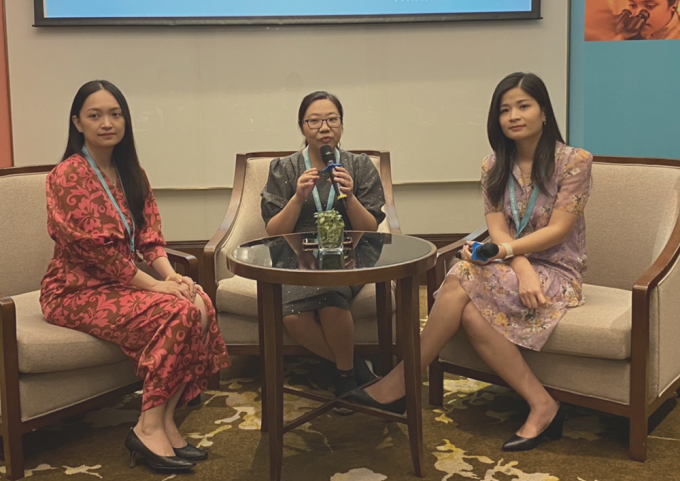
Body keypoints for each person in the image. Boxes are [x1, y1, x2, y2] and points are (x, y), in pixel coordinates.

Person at [347, 72, 593, 452]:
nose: (513, 116)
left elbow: (559, 230)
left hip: (559, 272)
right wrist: (518, 265)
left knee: (460, 274)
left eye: (523, 106)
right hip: (516, 268)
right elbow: (496, 228)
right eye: (504, 109)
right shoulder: (492, 165)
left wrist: (508, 257)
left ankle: (400, 384)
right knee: (469, 304)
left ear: (544, 112)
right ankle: (543, 405)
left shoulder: (573, 161)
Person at [40, 80, 230, 472]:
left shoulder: (131, 171)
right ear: (77, 122)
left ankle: (164, 422)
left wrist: (172, 277)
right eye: (95, 115)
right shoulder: (68, 175)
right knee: (176, 313)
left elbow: (150, 239)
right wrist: (157, 286)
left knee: (197, 301)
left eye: (115, 114)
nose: (107, 123)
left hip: (121, 285)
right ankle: (147, 427)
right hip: (75, 290)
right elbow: (96, 253)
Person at [260, 91, 386, 410]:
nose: (324, 127)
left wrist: (351, 195)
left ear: (342, 126)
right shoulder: (284, 168)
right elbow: (273, 231)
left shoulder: (359, 166)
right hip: (296, 256)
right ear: (302, 127)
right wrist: (298, 197)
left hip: (349, 253)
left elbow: (370, 228)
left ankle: (343, 377)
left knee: (331, 299)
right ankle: (358, 371)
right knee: (293, 315)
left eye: (332, 119)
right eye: (314, 120)